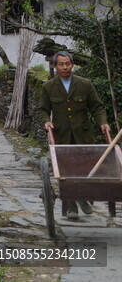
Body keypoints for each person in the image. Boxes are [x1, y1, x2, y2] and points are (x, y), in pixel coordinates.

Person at [37, 51, 111, 220]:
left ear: (72, 64)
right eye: (61, 64)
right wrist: (46, 122)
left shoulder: (85, 84)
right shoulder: (48, 87)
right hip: (62, 135)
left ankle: (82, 197)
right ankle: (71, 205)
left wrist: (103, 122)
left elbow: (97, 107)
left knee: (84, 169)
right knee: (66, 172)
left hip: (82, 135)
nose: (65, 67)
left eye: (68, 64)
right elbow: (42, 110)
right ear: (55, 66)